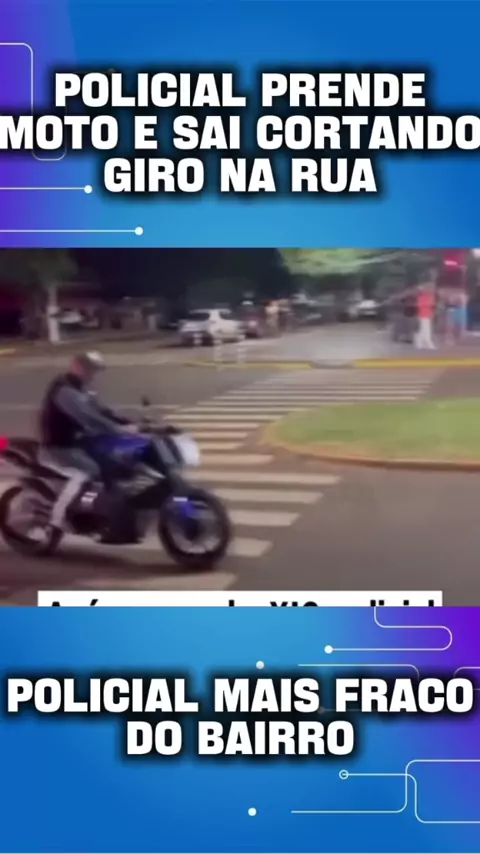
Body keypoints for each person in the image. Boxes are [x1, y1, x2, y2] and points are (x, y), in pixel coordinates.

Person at [38, 352, 137, 538]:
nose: (93, 374)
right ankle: (57, 520)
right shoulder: (65, 390)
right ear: (77, 367)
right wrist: (117, 429)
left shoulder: (82, 388)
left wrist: (128, 422)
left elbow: (102, 411)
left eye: (96, 370)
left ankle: (104, 510)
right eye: (90, 369)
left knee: (114, 461)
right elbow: (87, 417)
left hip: (79, 443)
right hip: (59, 448)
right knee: (88, 471)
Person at [415, 282, 436, 350]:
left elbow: (431, 306)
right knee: (426, 329)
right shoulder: (422, 297)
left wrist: (431, 313)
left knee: (423, 329)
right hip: (423, 314)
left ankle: (420, 342)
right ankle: (428, 343)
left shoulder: (429, 296)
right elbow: (422, 305)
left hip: (427, 314)